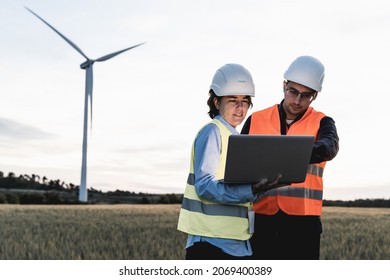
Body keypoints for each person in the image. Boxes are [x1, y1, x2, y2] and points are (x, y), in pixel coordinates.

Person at [177, 63, 282, 260]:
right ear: (216, 101)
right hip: (211, 243)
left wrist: (260, 188)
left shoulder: (234, 137)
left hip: (236, 242)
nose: (240, 108)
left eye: (245, 101)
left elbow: (238, 188)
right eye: (233, 100)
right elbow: (204, 186)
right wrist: (250, 190)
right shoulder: (213, 131)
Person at [241, 55, 339, 260]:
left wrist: (290, 154)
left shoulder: (323, 122)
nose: (297, 100)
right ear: (284, 85)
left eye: (306, 95)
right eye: (293, 91)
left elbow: (329, 147)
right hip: (261, 221)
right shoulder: (256, 119)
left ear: (315, 96)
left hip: (303, 225)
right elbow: (239, 159)